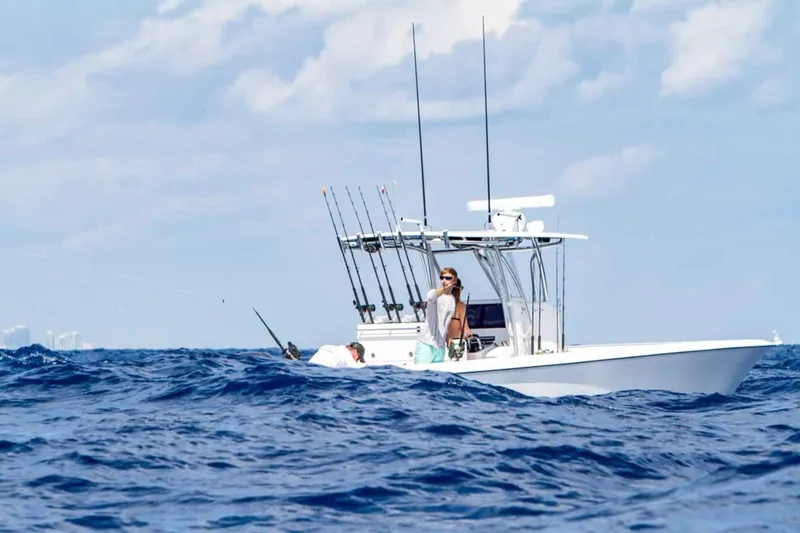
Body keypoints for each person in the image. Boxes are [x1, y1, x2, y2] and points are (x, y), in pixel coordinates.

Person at [413, 267, 462, 364]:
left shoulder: (452, 299)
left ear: (454, 281)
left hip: (440, 348)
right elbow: (431, 296)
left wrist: (448, 338)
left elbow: (445, 323)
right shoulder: (434, 294)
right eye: (442, 277)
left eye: (448, 278)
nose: (444, 280)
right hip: (426, 345)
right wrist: (443, 289)